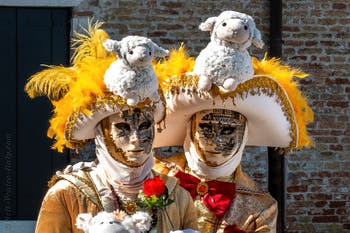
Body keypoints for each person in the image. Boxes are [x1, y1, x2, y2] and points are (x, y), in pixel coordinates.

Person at [25, 22, 198, 233]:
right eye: (123, 128)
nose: (136, 138)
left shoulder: (177, 195)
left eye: (144, 126)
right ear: (101, 134)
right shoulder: (67, 193)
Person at [152, 48, 314, 232]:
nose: (216, 140)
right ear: (191, 129)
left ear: (243, 134)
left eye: (228, 130)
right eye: (206, 128)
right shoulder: (154, 176)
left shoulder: (261, 206)